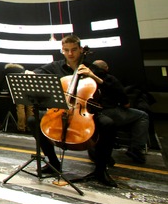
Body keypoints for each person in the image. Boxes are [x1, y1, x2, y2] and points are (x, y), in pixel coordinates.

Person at [28, 35, 118, 187]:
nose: (70, 53)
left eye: (74, 50)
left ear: (81, 49)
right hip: (61, 110)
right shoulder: (55, 66)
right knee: (33, 120)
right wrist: (30, 74)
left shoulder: (91, 68)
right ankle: (53, 163)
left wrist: (93, 76)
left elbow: (114, 89)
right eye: (66, 50)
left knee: (108, 124)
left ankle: (101, 170)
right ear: (62, 50)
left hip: (85, 111)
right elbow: (36, 72)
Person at [92, 60, 149, 164]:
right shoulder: (110, 79)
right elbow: (125, 103)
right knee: (142, 116)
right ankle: (136, 148)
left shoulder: (86, 79)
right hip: (109, 112)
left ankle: (95, 151)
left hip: (91, 112)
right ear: (106, 68)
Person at [4, 63, 34, 133]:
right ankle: (30, 127)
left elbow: (4, 82)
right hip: (29, 88)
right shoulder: (22, 70)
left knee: (20, 108)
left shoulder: (7, 71)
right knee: (30, 108)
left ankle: (21, 128)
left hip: (18, 90)